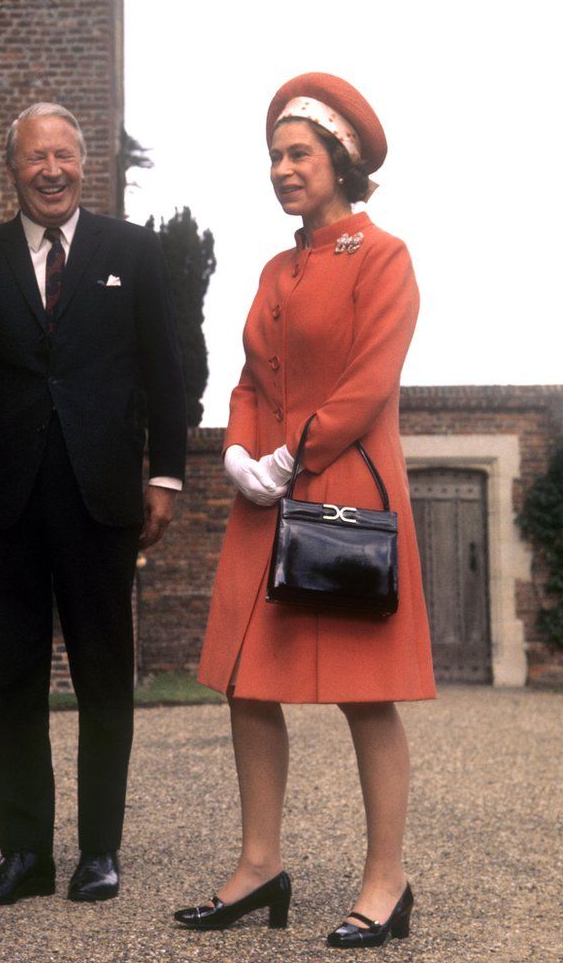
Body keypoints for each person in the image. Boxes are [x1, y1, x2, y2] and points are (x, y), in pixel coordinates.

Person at [173, 73, 435, 949]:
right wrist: (241, 451)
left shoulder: (385, 256)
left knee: (367, 695)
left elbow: (369, 381)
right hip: (267, 497)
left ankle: (387, 882)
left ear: (341, 162)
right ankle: (257, 867)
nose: (283, 169)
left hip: (345, 491)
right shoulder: (274, 268)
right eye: (275, 157)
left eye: (299, 155)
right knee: (248, 684)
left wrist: (296, 451)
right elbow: (250, 379)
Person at [0, 102, 188, 906]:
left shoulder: (134, 253)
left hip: (101, 498)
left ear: (85, 164)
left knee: (106, 677)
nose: (51, 170)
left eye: (64, 156)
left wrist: (166, 477)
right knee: (8, 681)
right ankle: (24, 856)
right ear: (11, 169)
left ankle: (99, 851)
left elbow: (166, 375)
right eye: (35, 157)